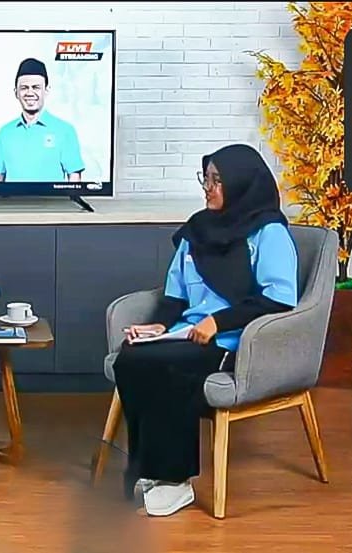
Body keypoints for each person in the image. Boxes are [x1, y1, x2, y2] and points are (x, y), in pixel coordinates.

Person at [116, 143, 299, 517]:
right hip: (187, 333)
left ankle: (176, 481)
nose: (207, 188)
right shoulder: (196, 230)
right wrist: (159, 325)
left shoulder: (268, 233)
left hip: (235, 341)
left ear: (241, 183)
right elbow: (174, 294)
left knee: (169, 367)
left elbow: (279, 299)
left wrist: (218, 322)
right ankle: (149, 466)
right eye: (206, 179)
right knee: (130, 358)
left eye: (217, 181)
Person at [0, 57, 84, 183]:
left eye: (36, 87)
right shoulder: (4, 132)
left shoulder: (65, 131)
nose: (30, 93)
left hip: (52, 197)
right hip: (13, 197)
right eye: (24, 88)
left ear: (46, 90)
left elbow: (74, 177)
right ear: (16, 92)